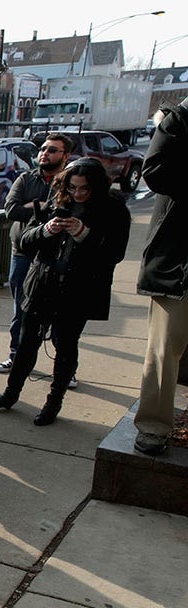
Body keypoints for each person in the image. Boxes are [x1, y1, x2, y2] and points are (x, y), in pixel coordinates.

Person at [0, 158, 131, 425]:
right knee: (26, 343)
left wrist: (85, 234)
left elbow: (114, 254)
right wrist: (46, 230)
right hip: (42, 282)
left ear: (97, 187)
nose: (78, 194)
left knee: (65, 345)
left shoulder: (114, 209)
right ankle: (10, 394)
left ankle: (53, 402)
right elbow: (25, 241)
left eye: (84, 189)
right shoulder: (56, 201)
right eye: (73, 187)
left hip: (78, 289)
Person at [0, 133, 72, 377]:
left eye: (52, 150)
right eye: (43, 149)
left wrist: (33, 207)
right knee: (21, 310)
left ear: (65, 156)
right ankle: (16, 357)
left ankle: (65, 368)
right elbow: (11, 209)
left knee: (59, 314)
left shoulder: (70, 182)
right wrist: (38, 207)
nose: (44, 154)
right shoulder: (26, 179)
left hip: (57, 258)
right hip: (24, 254)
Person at [134, 97, 188, 456]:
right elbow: (154, 171)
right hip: (178, 263)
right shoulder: (180, 120)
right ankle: (153, 426)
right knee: (164, 348)